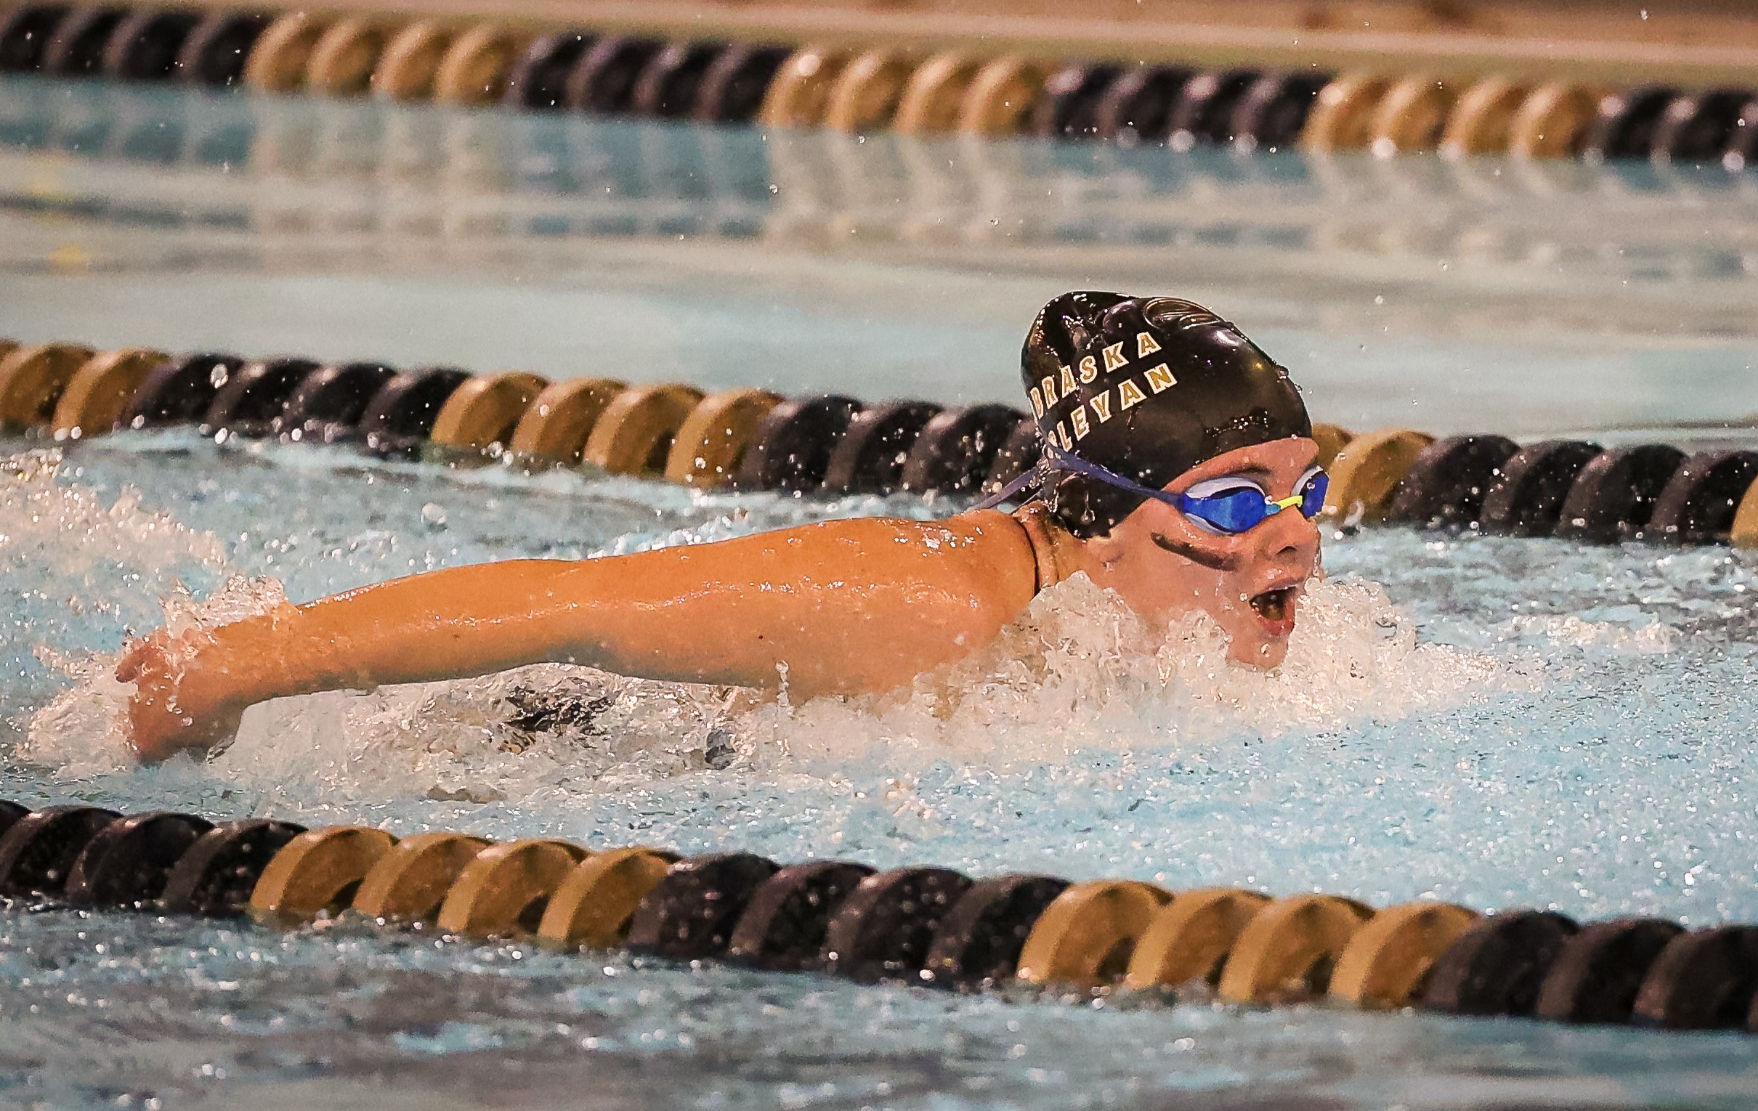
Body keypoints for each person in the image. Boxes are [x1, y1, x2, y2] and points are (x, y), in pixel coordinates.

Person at [119, 292, 1328, 762]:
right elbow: (573, 603)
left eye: (1302, 490)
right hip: (534, 758)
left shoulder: (1122, 620)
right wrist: (247, 659)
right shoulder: (934, 600)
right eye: (1231, 498)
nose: (1292, 537)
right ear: (1105, 520)